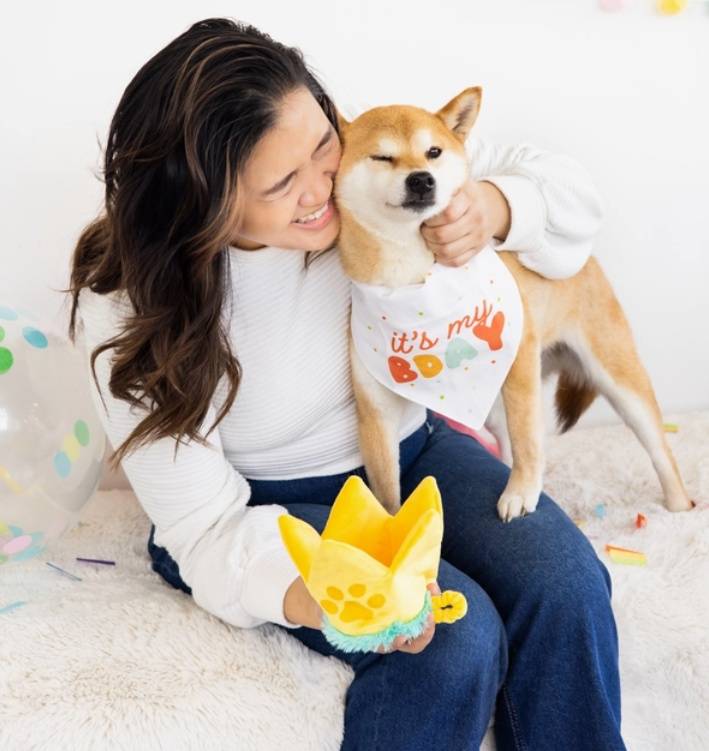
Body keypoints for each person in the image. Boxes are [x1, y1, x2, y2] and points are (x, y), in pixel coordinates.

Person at [65, 17, 627, 751]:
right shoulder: (128, 300)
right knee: (452, 639)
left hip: (407, 449)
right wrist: (312, 593)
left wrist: (491, 206)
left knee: (565, 584)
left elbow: (568, 192)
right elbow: (204, 525)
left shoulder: (371, 164)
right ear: (199, 201)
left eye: (322, 146)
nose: (323, 188)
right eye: (280, 184)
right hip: (259, 506)